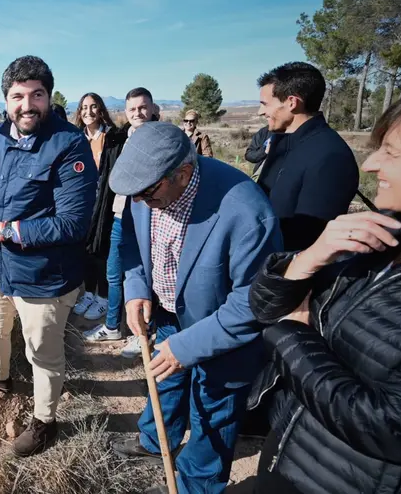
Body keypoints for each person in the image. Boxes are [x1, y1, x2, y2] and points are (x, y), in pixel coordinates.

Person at [247, 81, 401, 493]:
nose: (370, 165)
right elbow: (266, 307)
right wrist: (309, 257)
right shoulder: (383, 238)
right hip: (295, 461)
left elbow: (391, 425)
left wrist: (295, 334)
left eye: (393, 152)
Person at [106, 122, 282, 493]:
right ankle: (157, 441)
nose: (139, 202)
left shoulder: (246, 211)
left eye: (147, 194)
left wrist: (186, 348)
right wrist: (136, 287)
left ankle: (196, 485)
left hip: (224, 330)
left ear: (183, 174)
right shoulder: (146, 193)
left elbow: (253, 303)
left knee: (213, 409)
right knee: (165, 381)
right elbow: (134, 246)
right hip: (168, 313)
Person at [0, 56, 98, 457]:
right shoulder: (1, 134)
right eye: (17, 96)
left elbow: (73, 223)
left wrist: (3, 230)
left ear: (49, 96)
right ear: (7, 100)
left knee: (42, 351)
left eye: (36, 95)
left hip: (44, 275)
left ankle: (44, 421)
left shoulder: (69, 144)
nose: (27, 105)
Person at [256, 62, 359, 251]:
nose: (261, 112)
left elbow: (309, 238)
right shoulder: (282, 141)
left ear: (292, 103)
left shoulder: (331, 157)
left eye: (265, 104)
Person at [83, 87, 152, 347]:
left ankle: (141, 334)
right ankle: (113, 325)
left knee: (147, 277)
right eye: (133, 109)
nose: (138, 113)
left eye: (143, 107)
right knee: (114, 274)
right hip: (120, 216)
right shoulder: (121, 140)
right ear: (126, 112)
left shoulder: (160, 139)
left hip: (150, 218)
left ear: (153, 109)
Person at [71, 92, 118, 322]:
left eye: (93, 106)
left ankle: (103, 297)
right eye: (84, 107)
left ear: (100, 110)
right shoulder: (77, 138)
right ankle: (88, 293)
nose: (88, 111)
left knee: (102, 252)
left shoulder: (110, 138)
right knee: (85, 251)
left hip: (104, 204)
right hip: (82, 203)